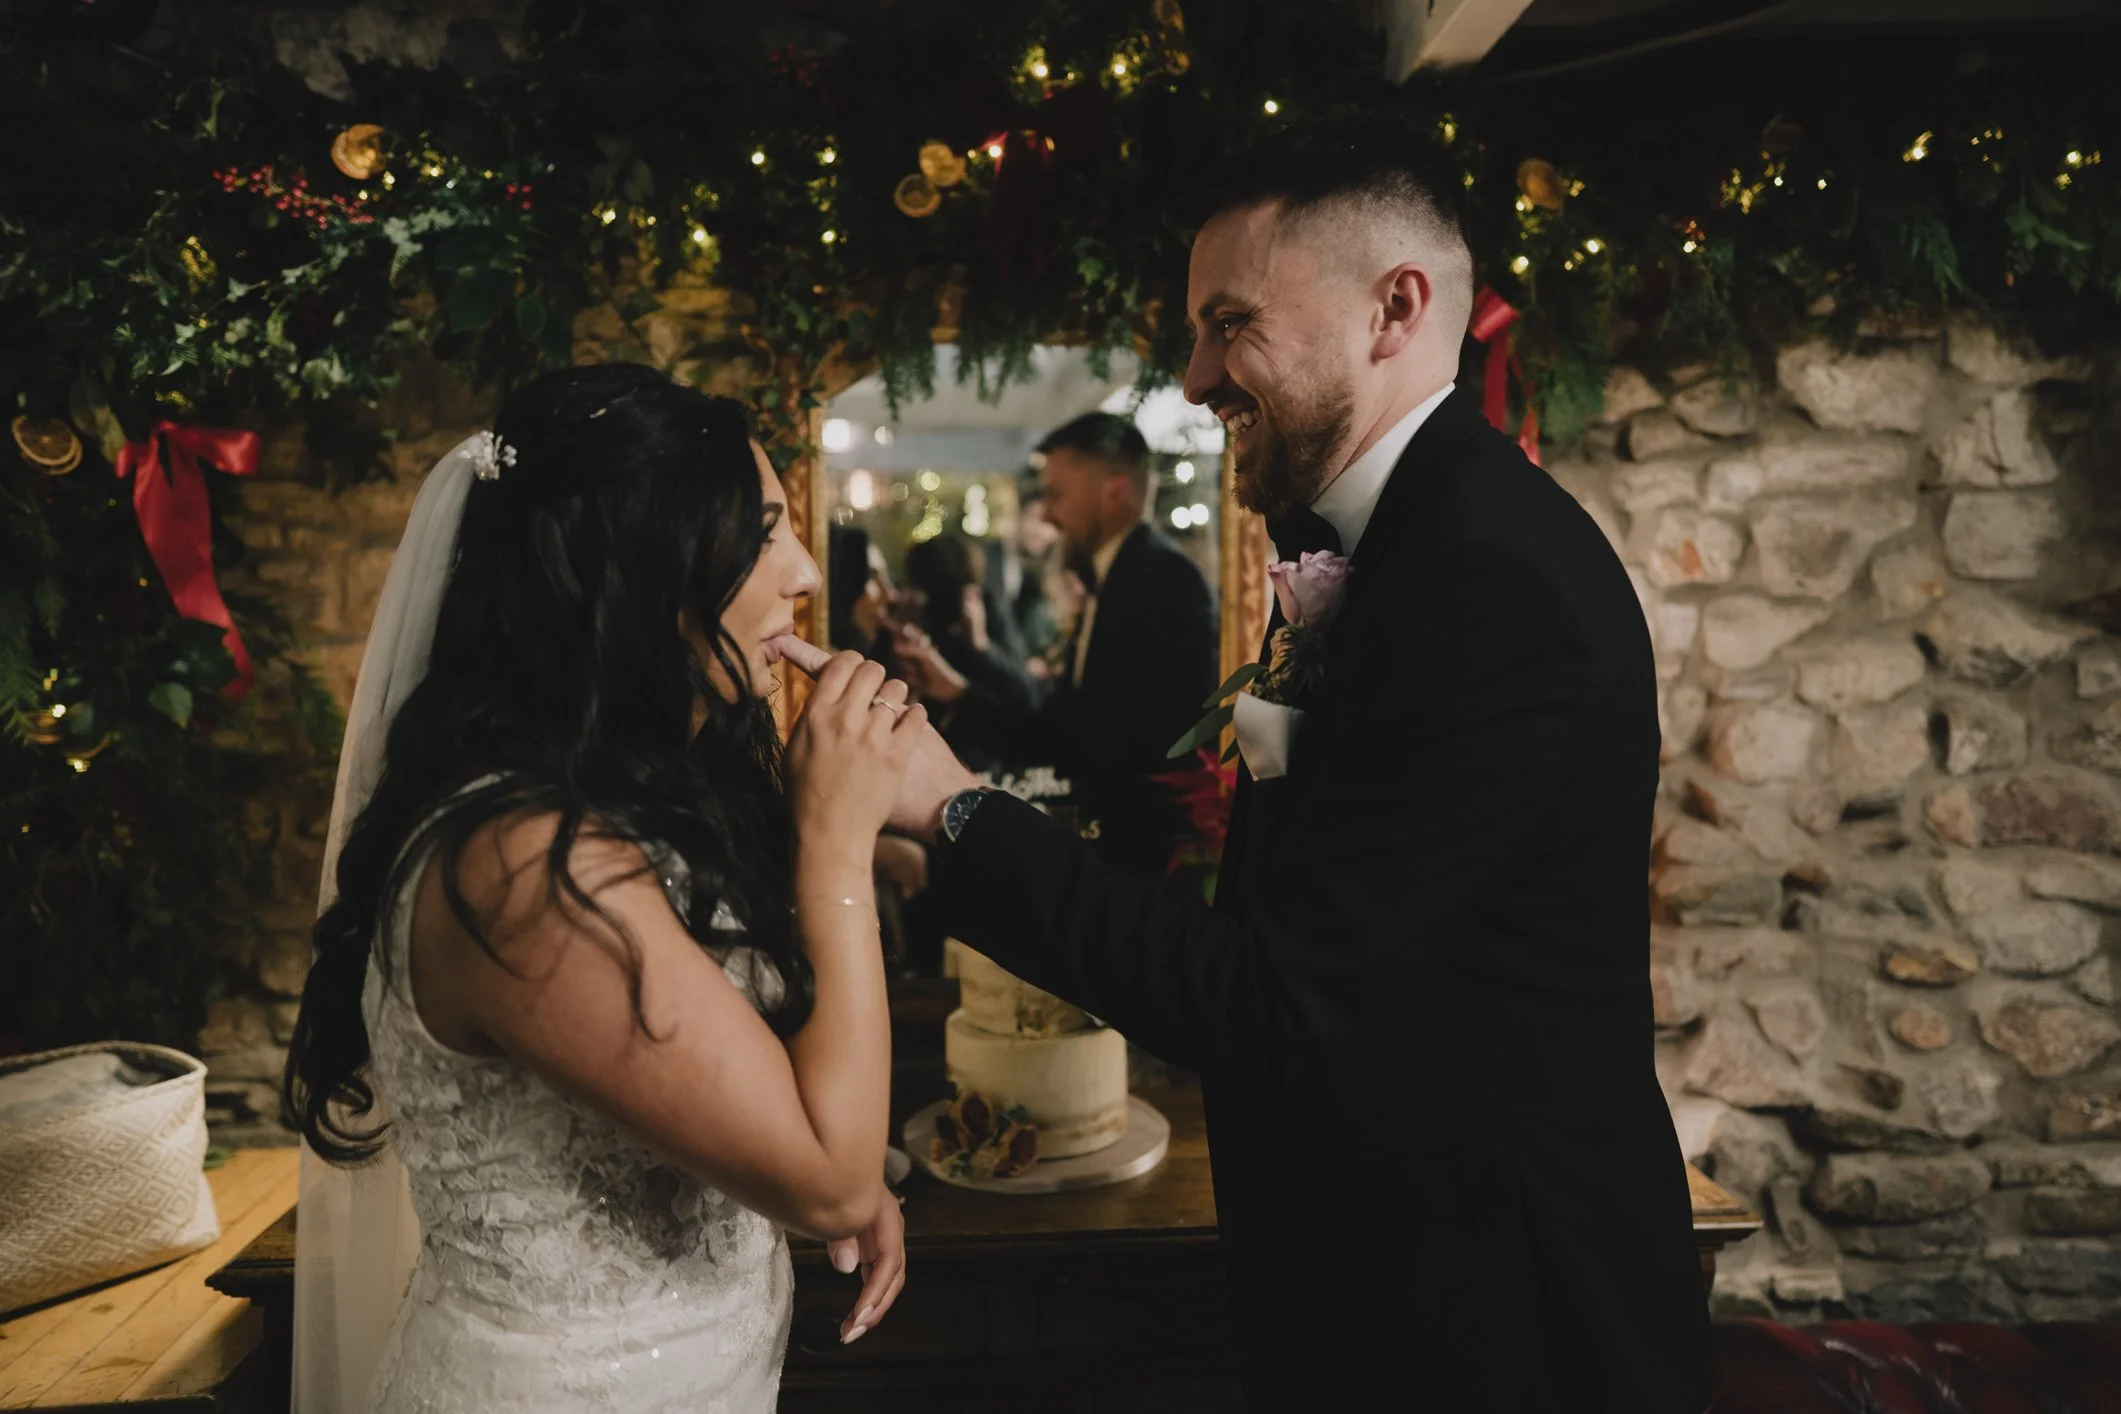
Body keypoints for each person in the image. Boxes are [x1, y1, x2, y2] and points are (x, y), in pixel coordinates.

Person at [877, 117, 1710, 1411]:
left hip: (1492, 1314)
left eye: (1230, 321)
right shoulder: (1389, 548)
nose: (1197, 373)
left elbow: (1278, 994)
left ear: (1394, 308)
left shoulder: (1490, 583)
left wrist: (954, 811)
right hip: (1375, 1268)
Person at [282, 364, 923, 1412]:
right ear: (634, 566)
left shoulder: (629, 799)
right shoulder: (521, 865)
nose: (804, 570)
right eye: (763, 534)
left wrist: (785, 1169)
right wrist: (837, 844)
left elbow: (759, 1108)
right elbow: (834, 1178)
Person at [896, 413, 1218, 876]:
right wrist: (958, 693)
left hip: (1141, 860)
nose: (1046, 513)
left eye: (1056, 494)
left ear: (1113, 491)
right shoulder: (1117, 577)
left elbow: (1114, 747)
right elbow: (1067, 725)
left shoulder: (1161, 582)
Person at [900, 531, 1035, 771]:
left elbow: (1025, 697)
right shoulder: (912, 618)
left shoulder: (985, 610)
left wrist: (981, 646)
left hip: (988, 758)